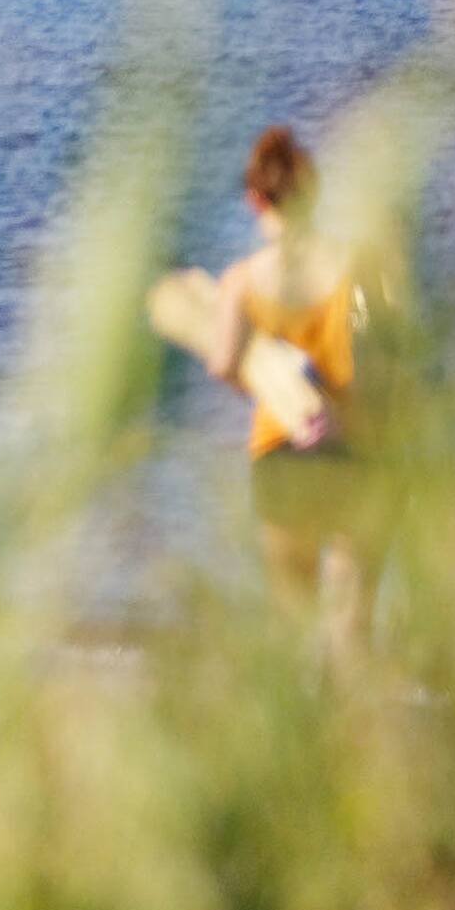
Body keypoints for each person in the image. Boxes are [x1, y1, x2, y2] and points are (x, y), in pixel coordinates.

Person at [147, 123, 366, 615]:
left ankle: (300, 692)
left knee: (294, 612)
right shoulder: (353, 270)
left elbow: (224, 363)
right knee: (351, 615)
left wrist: (265, 380)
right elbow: (369, 343)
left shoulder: (240, 282)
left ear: (254, 200)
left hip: (280, 446)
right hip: (350, 446)